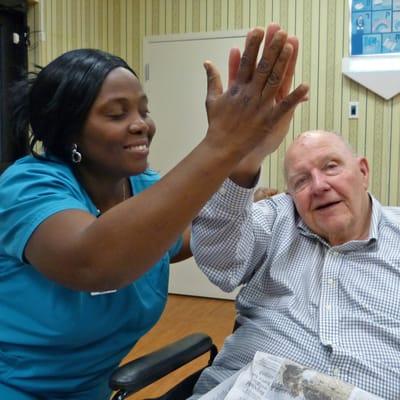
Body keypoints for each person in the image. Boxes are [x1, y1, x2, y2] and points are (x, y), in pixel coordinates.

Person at [0, 23, 308, 399]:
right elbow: (93, 260)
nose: (141, 125)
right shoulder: (29, 186)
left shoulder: (142, 183)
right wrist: (223, 144)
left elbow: (172, 242)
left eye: (143, 110)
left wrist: (244, 171)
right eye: (117, 114)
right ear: (70, 132)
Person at [190, 130, 400, 399]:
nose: (319, 186)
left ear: (363, 171)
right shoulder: (278, 218)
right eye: (301, 181)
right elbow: (219, 259)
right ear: (291, 194)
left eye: (331, 167)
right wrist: (245, 159)